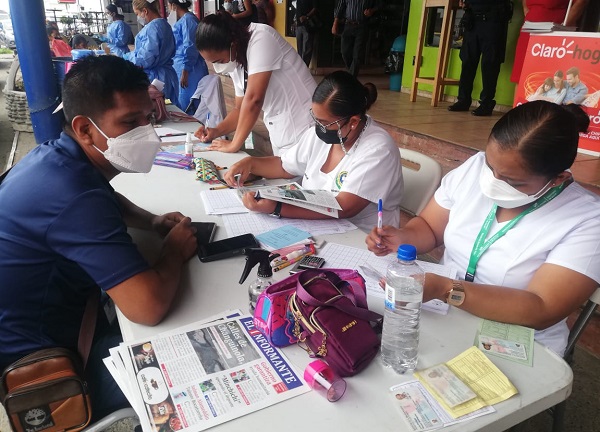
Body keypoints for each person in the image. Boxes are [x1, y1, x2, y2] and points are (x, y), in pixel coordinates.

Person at [0, 56, 197, 421]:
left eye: (148, 118)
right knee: (190, 376)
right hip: (49, 368)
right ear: (85, 129)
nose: (146, 133)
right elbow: (147, 307)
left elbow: (101, 196)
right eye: (129, 122)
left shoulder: (56, 156)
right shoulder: (74, 195)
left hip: (53, 323)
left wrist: (150, 221)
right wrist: (172, 251)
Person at [367, 101, 600, 356]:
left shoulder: (587, 219)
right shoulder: (475, 168)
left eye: (513, 181)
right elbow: (430, 227)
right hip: (442, 314)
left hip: (514, 339)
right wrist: (401, 237)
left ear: (558, 179)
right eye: (491, 167)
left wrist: (446, 289)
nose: (493, 182)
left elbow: (541, 308)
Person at [223, 71, 403, 231]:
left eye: (325, 123)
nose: (318, 127)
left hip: (361, 237)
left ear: (354, 122)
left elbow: (343, 207)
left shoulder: (378, 150)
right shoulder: (321, 135)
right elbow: (285, 167)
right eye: (315, 118)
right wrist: (251, 163)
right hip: (316, 227)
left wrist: (277, 208)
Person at [194, 11, 316, 156]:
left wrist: (234, 144)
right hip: (282, 130)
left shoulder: (261, 38)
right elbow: (240, 108)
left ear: (233, 44)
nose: (218, 67)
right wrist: (216, 131)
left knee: (301, 175)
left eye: (219, 61)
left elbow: (254, 99)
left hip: (304, 125)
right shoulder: (235, 59)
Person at [447, 0, 512, 116]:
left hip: (494, 17)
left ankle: (486, 104)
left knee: (490, 62)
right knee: (467, 60)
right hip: (472, 17)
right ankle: (463, 100)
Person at [511, 0, 589, 85]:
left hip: (554, 33)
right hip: (529, 30)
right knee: (521, 76)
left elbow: (581, 2)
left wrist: (563, 26)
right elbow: (525, 4)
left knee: (548, 80)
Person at [124, 0, 179, 105]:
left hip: (156, 78)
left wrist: (127, 57)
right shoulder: (164, 24)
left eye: (137, 14)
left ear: (145, 11)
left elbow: (145, 59)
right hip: (166, 75)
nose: (138, 17)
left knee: (156, 108)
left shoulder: (153, 28)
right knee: (168, 108)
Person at [166, 0, 209, 111]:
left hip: (190, 69)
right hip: (184, 67)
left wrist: (185, 69)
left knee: (189, 104)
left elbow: (190, 46)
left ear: (174, 5)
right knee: (184, 102)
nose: (168, 8)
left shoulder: (188, 20)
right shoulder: (184, 20)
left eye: (168, 5)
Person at [332, 0, 380, 78]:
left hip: (362, 26)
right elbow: (339, 8)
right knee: (345, 52)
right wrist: (335, 24)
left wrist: (372, 10)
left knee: (357, 55)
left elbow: (379, 5)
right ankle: (351, 71)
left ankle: (351, 77)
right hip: (348, 25)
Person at [295, 0, 318, 67]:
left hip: (308, 25)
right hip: (299, 25)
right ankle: (299, 66)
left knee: (307, 48)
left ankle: (304, 67)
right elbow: (297, 11)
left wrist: (306, 16)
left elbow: (315, 8)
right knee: (300, 48)